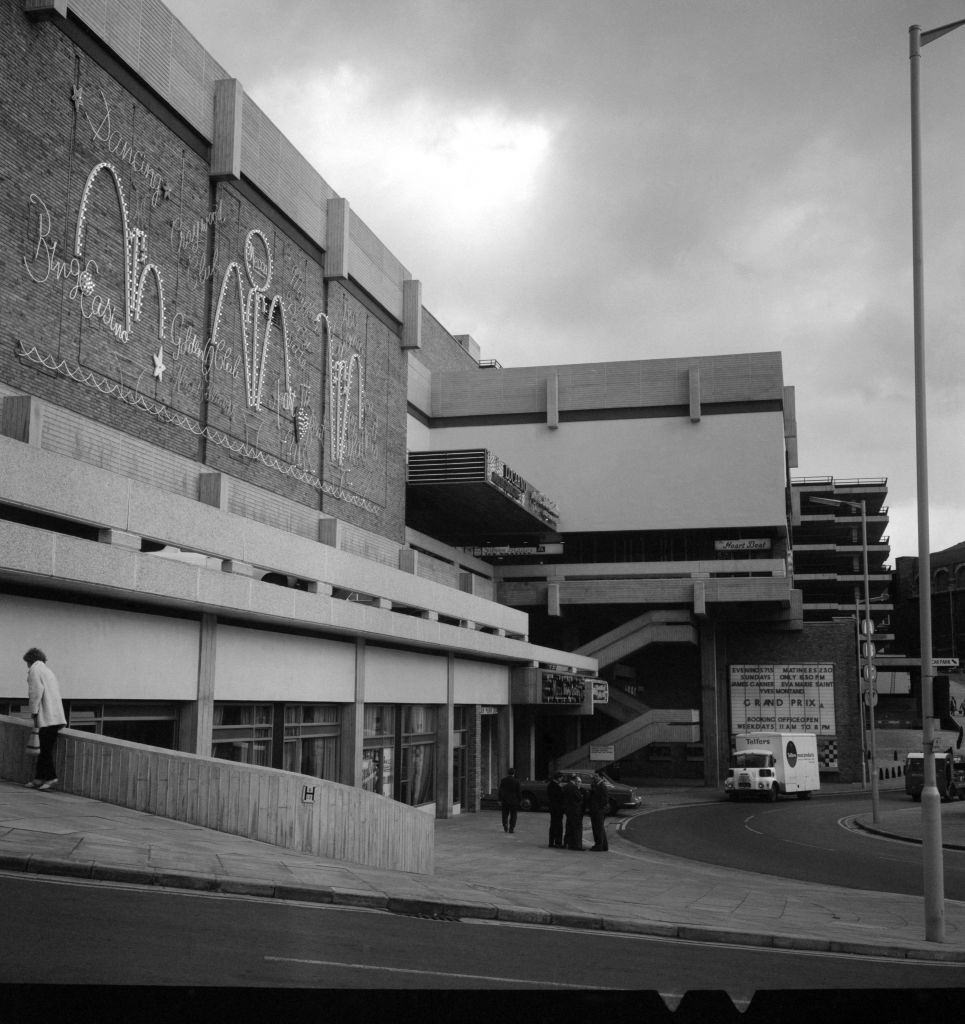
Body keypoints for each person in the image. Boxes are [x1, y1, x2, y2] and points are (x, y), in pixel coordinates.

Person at [23, 648, 67, 791]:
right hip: (55, 716)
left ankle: (50, 777)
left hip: (46, 717)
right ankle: (39, 778)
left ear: (30, 660)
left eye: (27, 662)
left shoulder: (35, 671)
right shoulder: (48, 671)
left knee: (45, 750)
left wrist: (34, 712)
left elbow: (35, 692)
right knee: (44, 748)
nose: (27, 666)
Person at [588, 772, 610, 851]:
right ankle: (603, 846)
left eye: (596, 776)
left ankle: (599, 845)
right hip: (597, 810)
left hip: (598, 811)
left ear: (600, 777)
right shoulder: (597, 785)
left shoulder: (602, 786)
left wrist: (598, 808)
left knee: (598, 828)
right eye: (594, 776)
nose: (594, 778)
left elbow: (605, 799)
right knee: (599, 828)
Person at [562, 774, 585, 850]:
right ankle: (577, 845)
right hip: (575, 810)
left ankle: (566, 843)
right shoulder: (574, 787)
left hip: (568, 810)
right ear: (574, 780)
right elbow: (579, 798)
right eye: (577, 781)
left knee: (569, 827)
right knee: (577, 828)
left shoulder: (565, 786)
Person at [497, 767, 522, 833]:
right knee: (513, 815)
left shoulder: (503, 780)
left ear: (508, 773)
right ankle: (511, 828)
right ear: (514, 773)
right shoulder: (517, 781)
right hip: (514, 801)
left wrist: (499, 800)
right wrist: (520, 800)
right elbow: (519, 792)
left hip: (505, 800)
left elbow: (500, 791)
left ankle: (505, 825)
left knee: (505, 814)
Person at [546, 771, 565, 848]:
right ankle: (558, 842)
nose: (562, 779)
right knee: (558, 825)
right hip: (557, 808)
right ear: (558, 778)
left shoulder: (551, 785)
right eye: (561, 778)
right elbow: (559, 797)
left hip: (553, 808)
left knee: (553, 825)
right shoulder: (556, 786)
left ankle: (551, 842)